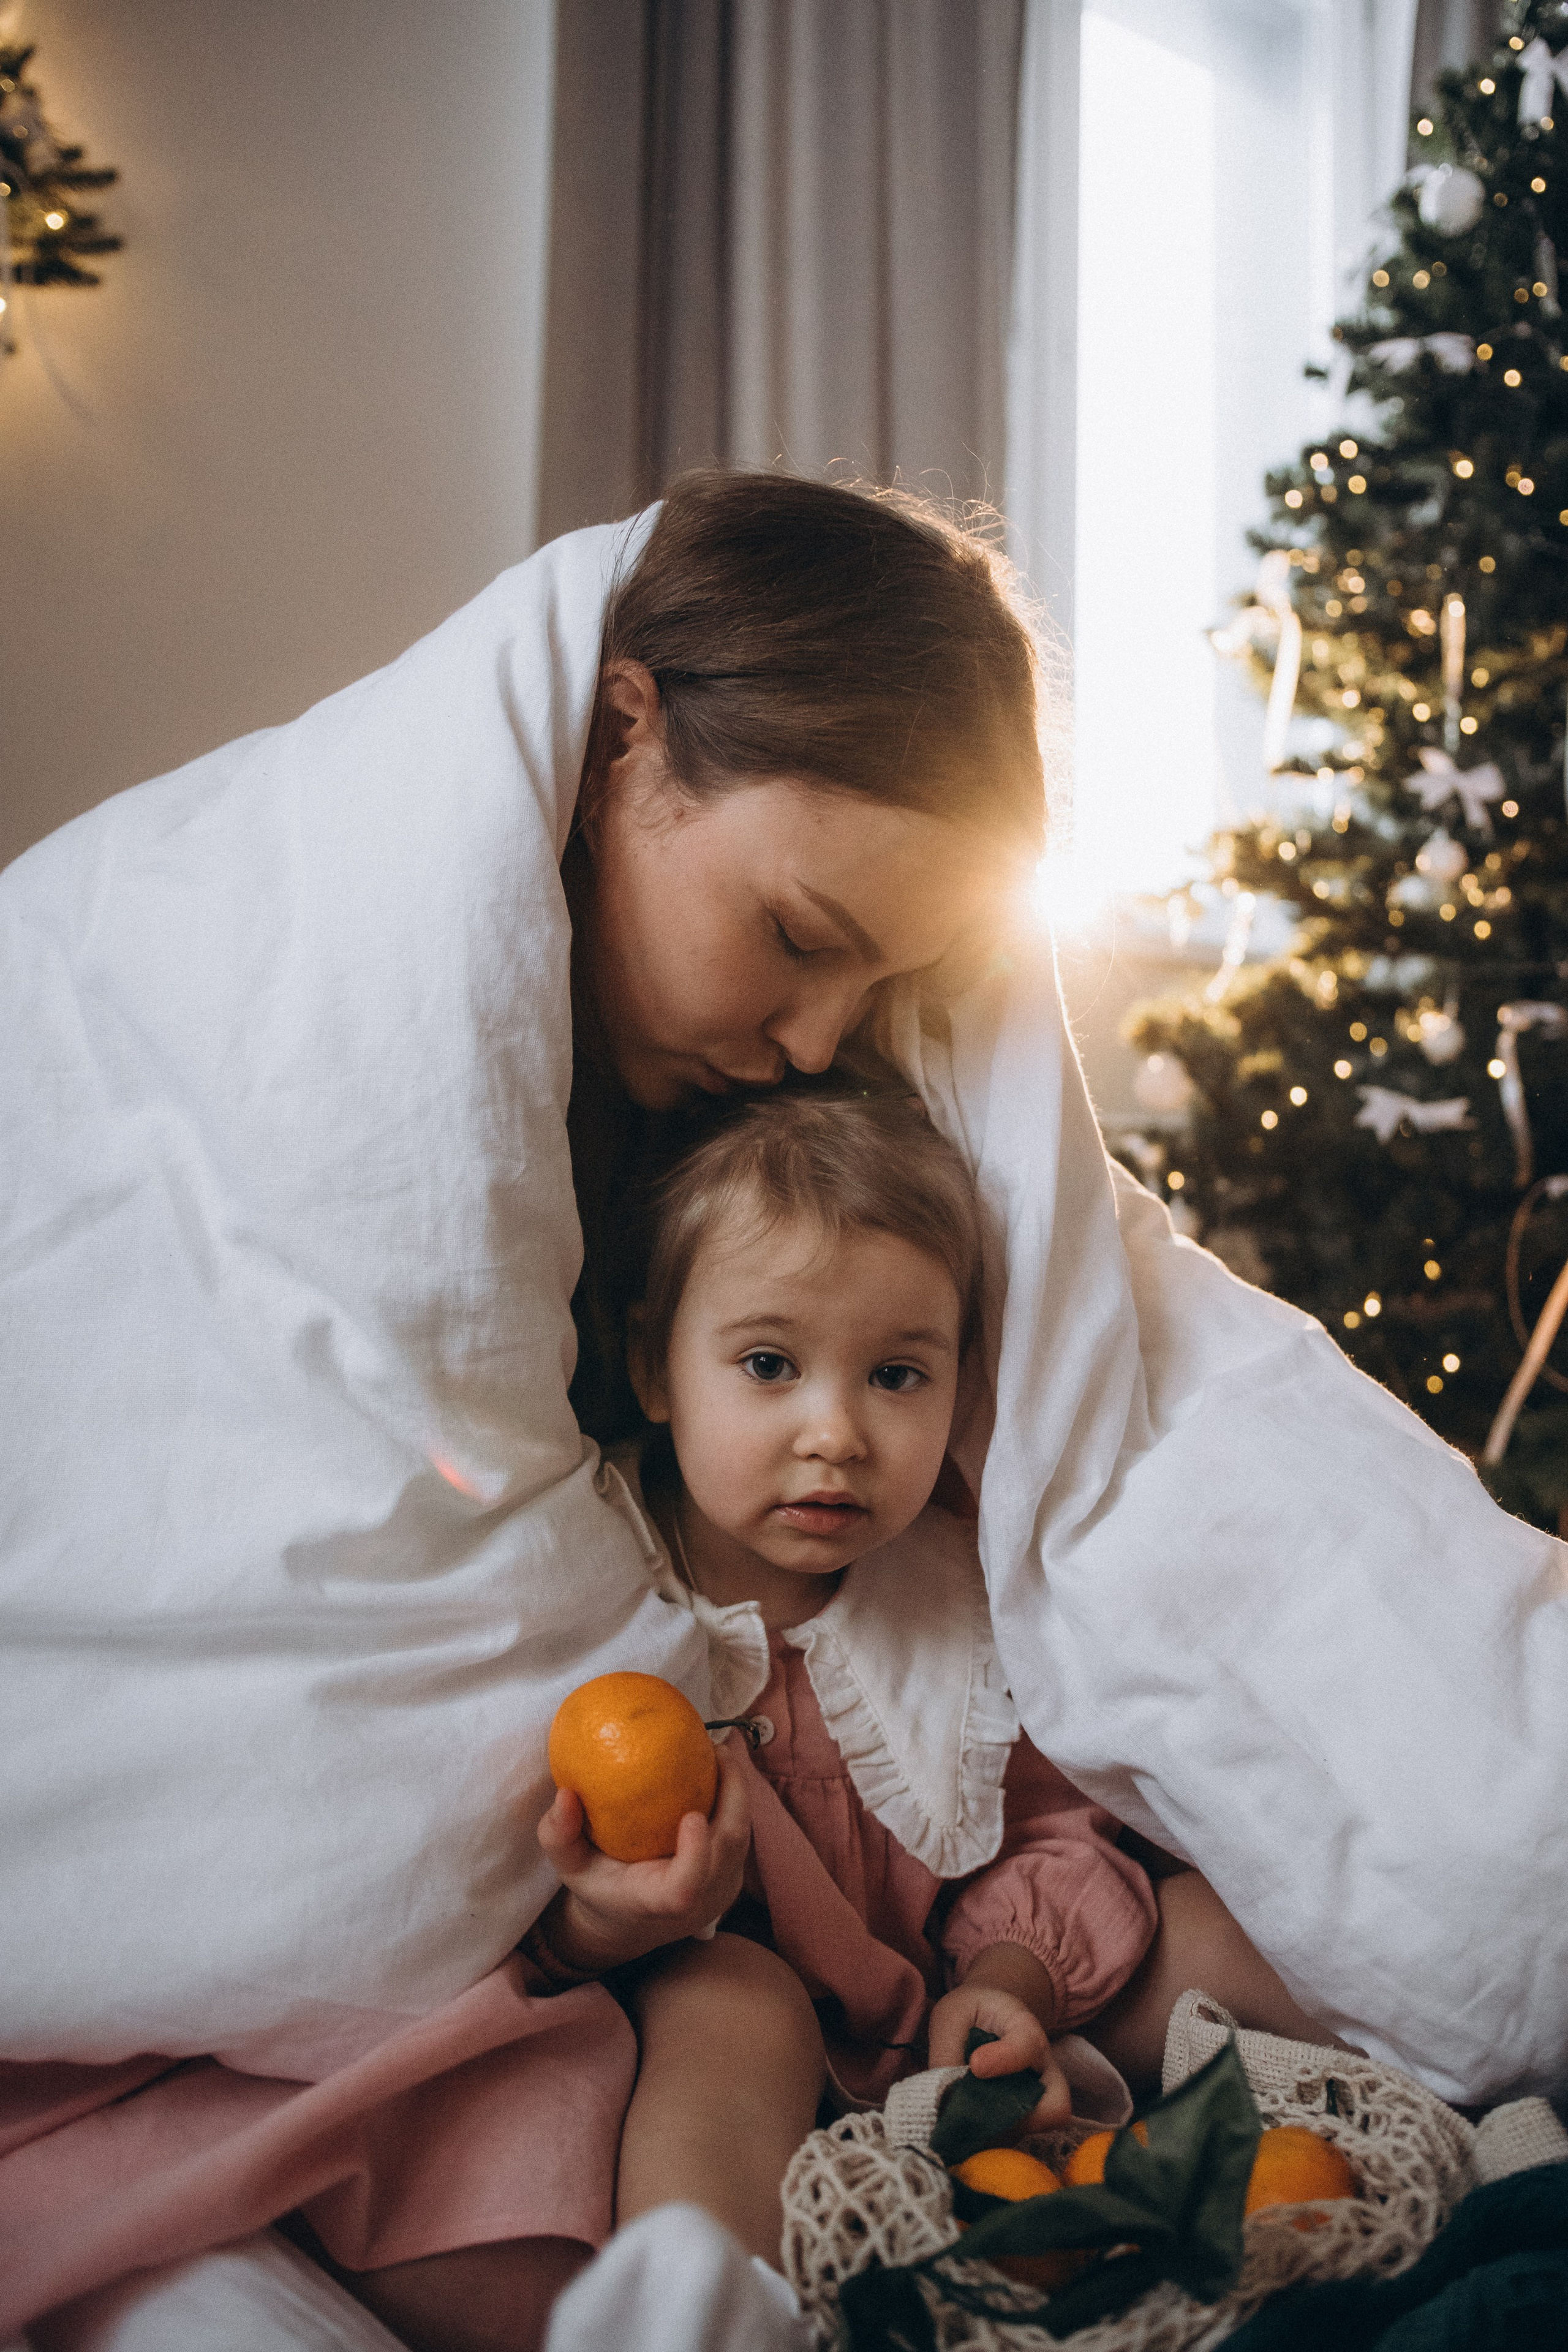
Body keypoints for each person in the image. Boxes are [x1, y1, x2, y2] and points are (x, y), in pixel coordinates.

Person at [3, 472, 1563, 2352]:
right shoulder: (273, 972)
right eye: (801, 934)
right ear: (623, 722)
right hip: (650, 1970)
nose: (826, 1039)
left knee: (1262, 1927)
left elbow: (1108, 1432)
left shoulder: (799, 1181)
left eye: (886, 982)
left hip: (930, 1978)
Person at [533, 1086, 1157, 2279]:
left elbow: (1054, 1826)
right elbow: (517, 1902)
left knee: (1209, 1923)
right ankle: (697, 2301)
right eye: (769, 1364)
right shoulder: (600, 1576)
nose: (836, 1432)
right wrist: (597, 1926)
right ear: (652, 1367)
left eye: (896, 1376)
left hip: (952, 2025)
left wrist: (1005, 1979)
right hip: (730, 2061)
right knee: (732, 2000)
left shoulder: (950, 1595)